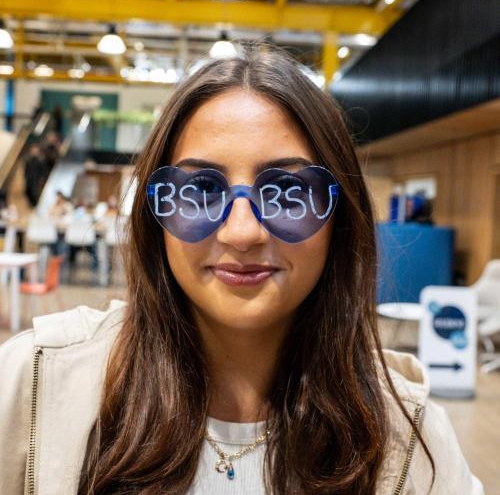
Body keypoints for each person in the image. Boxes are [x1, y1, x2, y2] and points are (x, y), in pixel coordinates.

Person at [0, 49, 484, 494]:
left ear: (340, 217)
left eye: (287, 193)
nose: (241, 232)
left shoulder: (413, 444)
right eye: (199, 191)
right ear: (157, 216)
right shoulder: (35, 383)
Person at [23, 143, 47, 207]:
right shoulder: (29, 159)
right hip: (29, 178)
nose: (33, 151)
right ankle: (31, 203)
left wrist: (41, 179)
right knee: (26, 191)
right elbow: (26, 168)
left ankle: (34, 205)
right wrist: (25, 176)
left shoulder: (40, 160)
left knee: (33, 192)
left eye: (35, 150)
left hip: (36, 179)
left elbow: (43, 170)